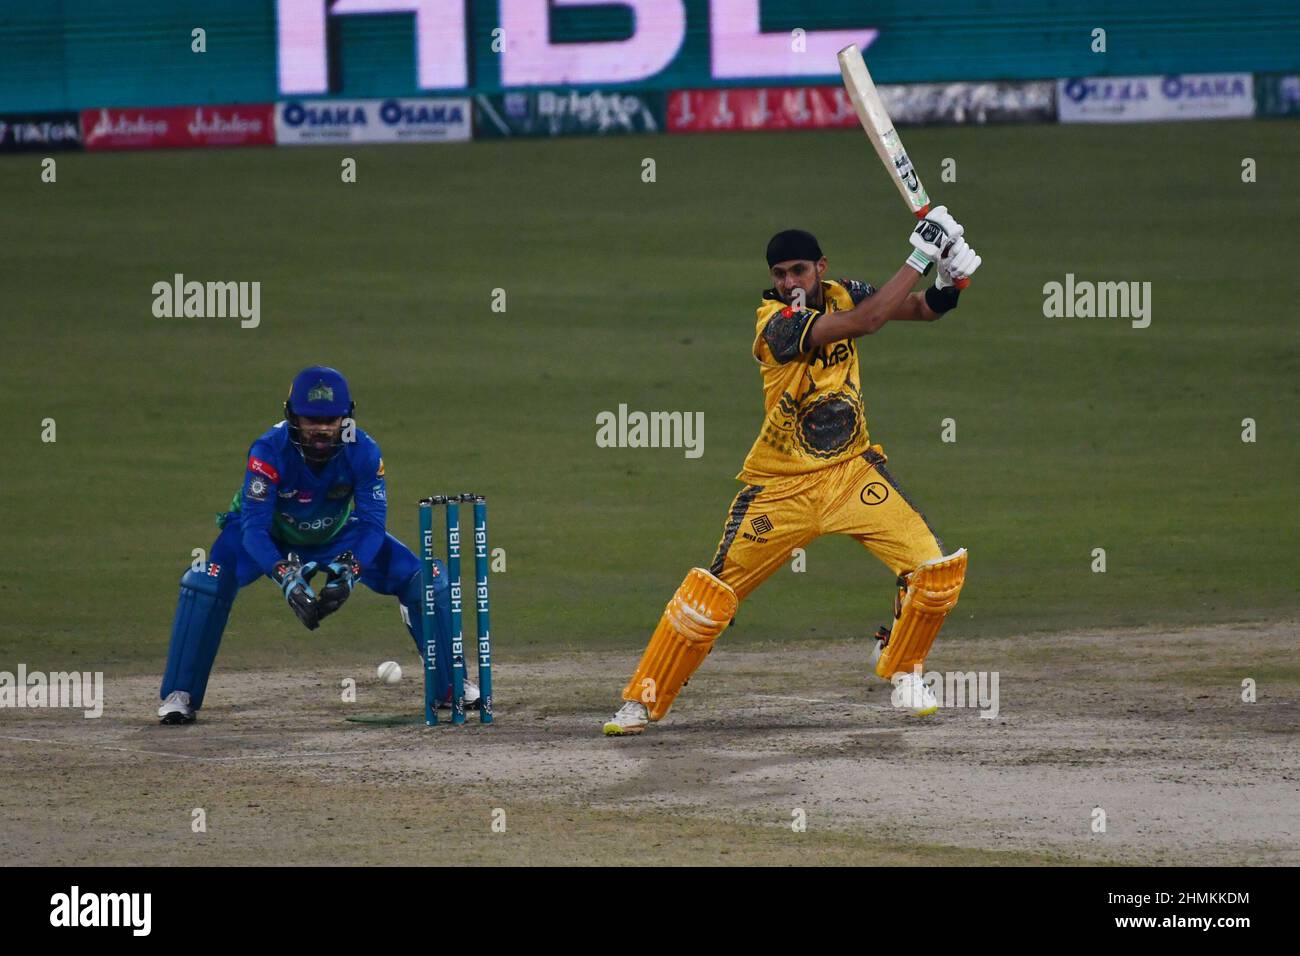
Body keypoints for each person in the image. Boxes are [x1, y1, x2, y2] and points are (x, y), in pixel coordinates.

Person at [603, 208, 982, 735]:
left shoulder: (845, 291)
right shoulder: (776, 324)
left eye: (798, 271)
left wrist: (950, 279)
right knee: (710, 598)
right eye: (778, 274)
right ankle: (642, 700)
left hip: (852, 473)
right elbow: (867, 323)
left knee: (935, 572)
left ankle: (901, 666)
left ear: (820, 268)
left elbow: (918, 310)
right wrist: (920, 255)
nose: (788, 283)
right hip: (781, 487)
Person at [157, 366, 476, 724]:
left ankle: (452, 685)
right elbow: (254, 529)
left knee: (427, 579)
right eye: (311, 419)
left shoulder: (364, 450)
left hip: (336, 533)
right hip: (269, 536)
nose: (322, 428)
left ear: (346, 416)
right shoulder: (268, 450)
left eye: (331, 419)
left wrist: (351, 570)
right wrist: (285, 577)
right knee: (206, 580)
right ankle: (179, 695)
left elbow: (372, 523)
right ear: (292, 415)